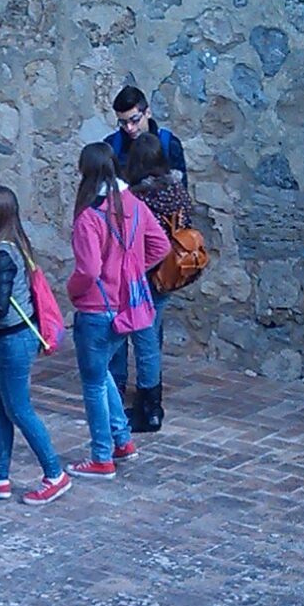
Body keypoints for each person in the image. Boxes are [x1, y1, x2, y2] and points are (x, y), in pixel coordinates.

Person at [0, 187, 72, 507]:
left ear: (0, 217)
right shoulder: (6, 243)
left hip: (13, 339)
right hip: (6, 337)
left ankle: (54, 474)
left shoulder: (0, 254)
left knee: (18, 408)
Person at [65, 141, 168, 479]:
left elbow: (89, 270)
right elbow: (160, 245)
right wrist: (133, 270)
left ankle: (101, 455)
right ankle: (122, 440)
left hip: (96, 307)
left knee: (93, 383)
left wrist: (72, 291)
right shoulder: (134, 205)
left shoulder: (88, 217)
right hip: (126, 306)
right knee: (103, 373)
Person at [114, 128, 193, 436]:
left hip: (146, 276)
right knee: (150, 337)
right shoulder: (177, 191)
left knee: (144, 341)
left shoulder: (139, 198)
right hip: (170, 274)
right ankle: (150, 403)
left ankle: (150, 410)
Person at [101, 84, 188, 183]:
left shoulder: (170, 144)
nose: (129, 128)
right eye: (123, 123)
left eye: (135, 120)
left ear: (147, 113)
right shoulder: (111, 145)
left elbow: (181, 188)